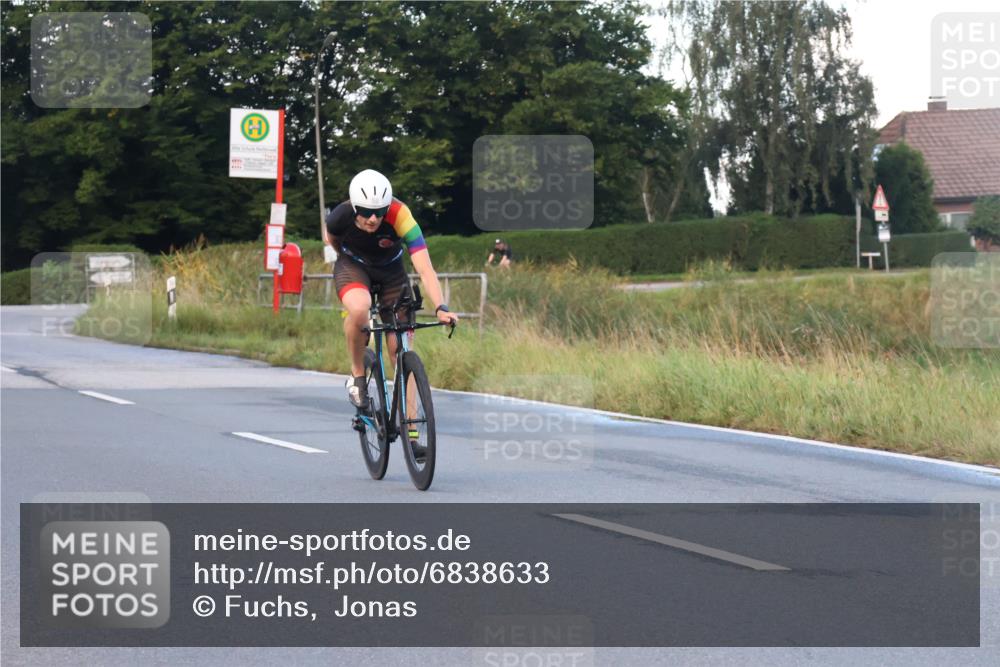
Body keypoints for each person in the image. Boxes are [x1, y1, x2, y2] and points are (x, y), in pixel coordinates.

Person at [323, 169, 458, 415]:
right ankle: (357, 375)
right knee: (359, 308)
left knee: (401, 350)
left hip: (391, 272)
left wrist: (441, 307)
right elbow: (332, 240)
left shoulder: (401, 215)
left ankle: (413, 430)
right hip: (353, 265)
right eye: (365, 212)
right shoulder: (339, 216)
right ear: (354, 207)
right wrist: (348, 254)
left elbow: (425, 268)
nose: (373, 218)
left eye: (379, 212)